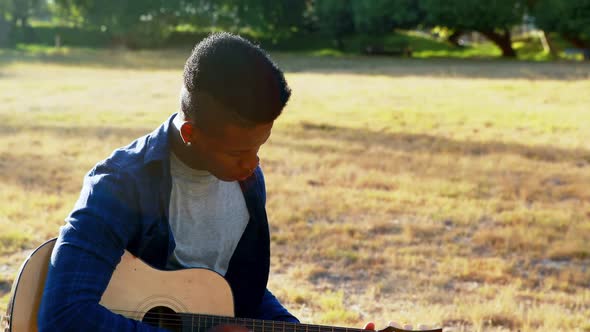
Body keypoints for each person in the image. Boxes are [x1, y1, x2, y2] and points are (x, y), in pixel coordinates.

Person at [37, 32, 437, 332]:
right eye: (236, 154)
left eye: (259, 147)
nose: (252, 165)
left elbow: (241, 295)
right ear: (191, 133)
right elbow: (63, 314)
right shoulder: (120, 185)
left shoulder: (247, 183)